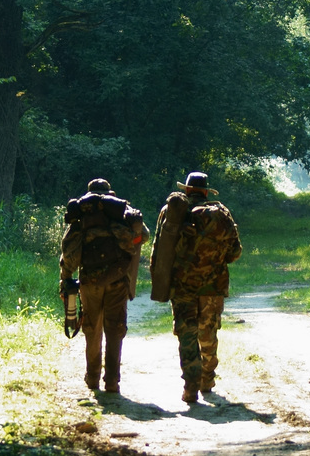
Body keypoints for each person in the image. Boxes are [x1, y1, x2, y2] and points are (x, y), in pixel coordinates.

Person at [150, 171, 242, 403]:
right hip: (213, 287)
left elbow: (158, 251)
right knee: (208, 332)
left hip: (182, 287)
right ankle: (207, 380)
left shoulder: (171, 213)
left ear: (187, 190)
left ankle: (190, 387)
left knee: (187, 335)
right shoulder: (221, 214)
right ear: (206, 192)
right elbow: (235, 253)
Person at [60, 178, 149, 394]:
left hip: (89, 281)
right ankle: (111, 381)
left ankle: (92, 378)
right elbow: (144, 236)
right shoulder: (121, 212)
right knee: (115, 329)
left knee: (92, 328)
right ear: (110, 193)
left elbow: (69, 251)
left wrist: (65, 278)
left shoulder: (82, 215)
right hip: (118, 279)